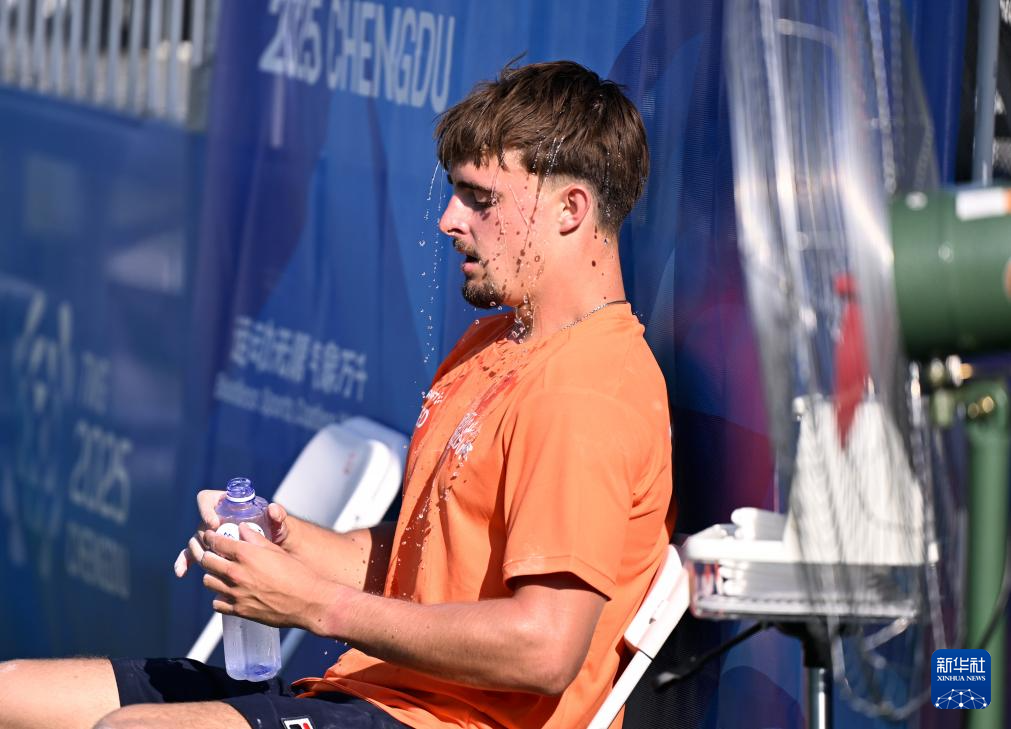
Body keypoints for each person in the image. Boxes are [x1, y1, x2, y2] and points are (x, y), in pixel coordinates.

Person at [0, 60, 673, 729]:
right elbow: (422, 566)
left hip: (455, 719)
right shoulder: (494, 344)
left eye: (480, 198)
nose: (449, 219)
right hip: (368, 695)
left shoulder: (590, 391)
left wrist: (315, 605)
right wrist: (278, 545)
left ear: (569, 210)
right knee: (12, 693)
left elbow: (545, 648)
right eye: (454, 192)